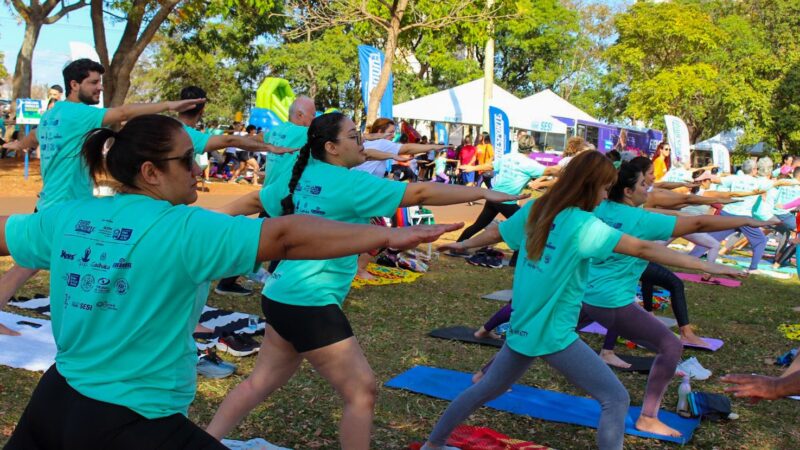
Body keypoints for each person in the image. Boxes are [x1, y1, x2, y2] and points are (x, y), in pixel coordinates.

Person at [0, 114, 458, 448]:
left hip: (56, 402)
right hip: (136, 421)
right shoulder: (184, 230)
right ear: (151, 172)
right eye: (188, 159)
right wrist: (390, 234)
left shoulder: (68, 215)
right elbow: (285, 236)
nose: (200, 167)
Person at [204, 113, 523, 449]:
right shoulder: (351, 185)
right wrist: (482, 193)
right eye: (355, 137)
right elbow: (419, 192)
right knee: (361, 390)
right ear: (332, 147)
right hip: (308, 302)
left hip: (280, 292)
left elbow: (257, 200)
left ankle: (204, 441)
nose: (363, 142)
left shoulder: (303, 174)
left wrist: (209, 219)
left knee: (261, 382)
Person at [424, 151, 742, 450]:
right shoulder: (582, 225)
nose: (606, 195)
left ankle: (432, 444)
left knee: (484, 389)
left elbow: (497, 232)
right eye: (604, 188)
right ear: (590, 186)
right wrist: (702, 264)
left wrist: (464, 246)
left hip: (525, 326)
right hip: (553, 334)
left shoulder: (540, 207)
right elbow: (644, 249)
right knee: (615, 399)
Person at [0, 58, 204, 335]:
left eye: (100, 82)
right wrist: (170, 106)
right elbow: (124, 112)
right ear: (74, 85)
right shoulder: (78, 115)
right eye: (93, 83)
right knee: (52, 263)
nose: (99, 89)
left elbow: (34, 136)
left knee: (35, 264)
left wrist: (18, 144)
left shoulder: (52, 114)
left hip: (51, 204)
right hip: (63, 209)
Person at [578, 162, 773, 437]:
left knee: (543, 337)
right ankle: (648, 417)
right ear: (628, 191)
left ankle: (495, 379)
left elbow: (679, 207)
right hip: (608, 300)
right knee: (670, 346)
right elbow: (698, 222)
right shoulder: (639, 220)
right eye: (645, 184)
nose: (650, 187)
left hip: (582, 293)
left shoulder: (601, 208)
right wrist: (747, 221)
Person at [451, 133, 559, 256]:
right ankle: (515, 260)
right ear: (532, 147)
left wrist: (472, 168)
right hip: (506, 201)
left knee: (478, 225)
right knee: (525, 227)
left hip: (493, 197)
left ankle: (456, 247)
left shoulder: (507, 157)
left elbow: (489, 166)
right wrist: (573, 168)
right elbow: (551, 170)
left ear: (519, 144)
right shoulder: (530, 164)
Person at [687, 158, 797, 273]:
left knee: (711, 238)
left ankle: (690, 258)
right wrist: (796, 182)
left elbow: (715, 180)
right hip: (744, 218)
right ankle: (753, 268)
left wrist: (704, 175)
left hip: (728, 214)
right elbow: (780, 182)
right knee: (760, 241)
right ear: (754, 170)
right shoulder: (759, 182)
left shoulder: (734, 178)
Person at [353, 118, 449, 178]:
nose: (393, 135)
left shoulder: (365, 142)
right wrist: (433, 147)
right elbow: (407, 148)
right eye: (391, 132)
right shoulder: (381, 143)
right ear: (379, 131)